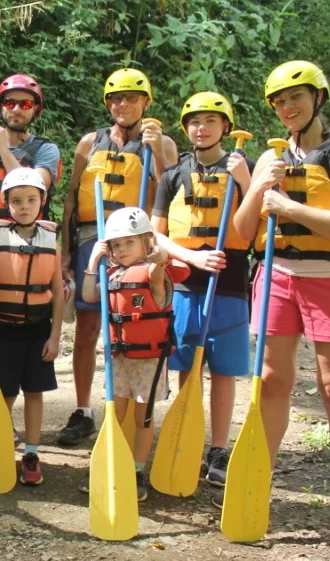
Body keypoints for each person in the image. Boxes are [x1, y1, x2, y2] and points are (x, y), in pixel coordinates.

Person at [231, 60, 330, 538]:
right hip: (277, 277)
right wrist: (258, 186)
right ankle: (259, 479)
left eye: (296, 97)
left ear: (318, 97)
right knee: (272, 381)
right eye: (279, 101)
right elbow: (243, 232)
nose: (287, 107)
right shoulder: (270, 157)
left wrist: (289, 206)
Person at [58, 68, 179, 448]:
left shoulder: (163, 143)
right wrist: (66, 251)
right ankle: (83, 410)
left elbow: (170, 189)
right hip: (92, 240)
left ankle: (134, 405)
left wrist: (156, 153)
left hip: (135, 243)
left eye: (131, 98)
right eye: (116, 98)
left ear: (145, 102)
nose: (123, 104)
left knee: (131, 322)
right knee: (87, 328)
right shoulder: (89, 142)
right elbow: (71, 197)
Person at [150, 92, 252, 488]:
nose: (202, 128)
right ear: (186, 128)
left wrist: (246, 181)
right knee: (186, 368)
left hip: (230, 285)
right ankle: (188, 435)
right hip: (184, 285)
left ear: (225, 127)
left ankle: (219, 448)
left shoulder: (245, 167)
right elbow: (156, 237)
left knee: (223, 372)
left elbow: (259, 226)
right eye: (194, 121)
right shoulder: (173, 175)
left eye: (210, 121)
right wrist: (193, 257)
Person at [0, 74, 63, 443]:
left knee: (10, 338)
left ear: (35, 110)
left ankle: (3, 423)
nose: (16, 109)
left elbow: (35, 184)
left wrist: (2, 148)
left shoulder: (45, 150)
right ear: (0, 107)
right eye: (9, 103)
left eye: (25, 103)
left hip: (26, 246)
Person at [81, 208, 188, 501]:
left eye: (129, 242)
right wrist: (93, 261)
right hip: (119, 359)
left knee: (143, 418)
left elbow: (159, 264)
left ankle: (137, 471)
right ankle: (106, 463)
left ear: (145, 241)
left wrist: (158, 254)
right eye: (116, 244)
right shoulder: (111, 274)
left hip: (149, 363)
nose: (122, 249)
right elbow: (89, 295)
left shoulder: (153, 272)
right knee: (114, 414)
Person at [0, 168, 62, 485]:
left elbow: (58, 293)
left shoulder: (51, 240)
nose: (24, 206)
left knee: (34, 393)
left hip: (38, 330)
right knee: (5, 394)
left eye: (31, 200)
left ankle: (32, 454)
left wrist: (54, 336)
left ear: (42, 201)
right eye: (17, 201)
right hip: (4, 330)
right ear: (6, 203)